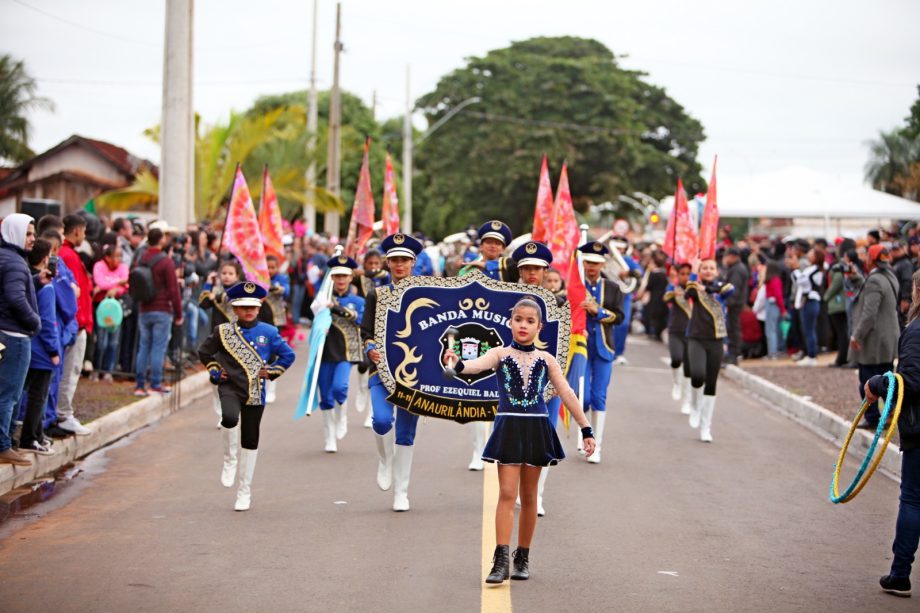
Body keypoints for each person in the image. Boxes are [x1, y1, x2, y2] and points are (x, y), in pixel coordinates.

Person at [443, 297, 596, 584]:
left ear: (539, 326)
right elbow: (475, 366)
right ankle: (500, 560)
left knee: (529, 497)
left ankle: (522, 556)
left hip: (536, 429)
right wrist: (458, 364)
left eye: (530, 321)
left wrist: (586, 428)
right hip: (510, 427)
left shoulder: (547, 359)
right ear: (510, 322)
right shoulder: (500, 353)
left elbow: (567, 393)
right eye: (519, 320)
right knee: (506, 494)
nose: (523, 325)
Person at [198, 281, 295, 511]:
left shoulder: (269, 332)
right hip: (229, 386)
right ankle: (229, 459)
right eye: (243, 306)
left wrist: (272, 371)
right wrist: (214, 369)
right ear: (234, 308)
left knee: (250, 440)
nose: (248, 310)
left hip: (255, 391)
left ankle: (244, 490)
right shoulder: (223, 331)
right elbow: (204, 351)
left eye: (252, 306)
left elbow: (287, 355)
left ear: (259, 307)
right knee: (229, 418)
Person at [866, 270, 920, 598]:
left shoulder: (915, 331)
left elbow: (911, 381)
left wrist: (876, 384)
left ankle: (900, 573)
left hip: (919, 430)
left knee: (913, 498)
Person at [361, 232, 424, 511]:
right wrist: (370, 348)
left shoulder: (426, 293)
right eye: (394, 260)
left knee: (406, 434)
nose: (399, 265)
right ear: (387, 264)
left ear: (412, 263)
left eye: (404, 260)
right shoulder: (377, 294)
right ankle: (385, 458)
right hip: (381, 370)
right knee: (382, 421)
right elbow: (366, 331)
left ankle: (402, 492)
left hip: (415, 375)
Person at [461, 220, 518, 471]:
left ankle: (497, 447)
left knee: (501, 397)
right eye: (488, 242)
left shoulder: (508, 268)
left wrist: (489, 266)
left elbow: (520, 265)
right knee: (476, 394)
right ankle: (477, 451)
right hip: (477, 338)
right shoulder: (468, 268)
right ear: (480, 245)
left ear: (503, 247)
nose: (492, 246)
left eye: (497, 243)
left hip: (506, 337)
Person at [511, 239, 558, 516]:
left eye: (537, 268)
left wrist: (553, 384)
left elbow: (561, 348)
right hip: (512, 383)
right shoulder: (504, 302)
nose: (532, 273)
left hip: (544, 383)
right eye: (526, 267)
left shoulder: (557, 304)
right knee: (513, 438)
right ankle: (516, 490)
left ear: (545, 271)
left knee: (544, 437)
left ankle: (537, 494)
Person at [576, 241, 625, 464]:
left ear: (603, 263)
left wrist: (599, 311)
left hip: (604, 347)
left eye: (596, 263)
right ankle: (584, 435)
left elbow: (620, 317)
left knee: (598, 397)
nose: (592, 266)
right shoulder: (575, 286)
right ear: (582, 262)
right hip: (580, 347)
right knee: (581, 396)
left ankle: (597, 446)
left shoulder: (613, 288)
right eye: (588, 262)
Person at [0, 214, 41, 466]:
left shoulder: (6, 258)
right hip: (14, 336)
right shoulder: (14, 262)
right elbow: (15, 298)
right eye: (28, 234)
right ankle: (4, 445)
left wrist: (35, 281)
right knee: (10, 393)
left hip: (4, 332)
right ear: (15, 233)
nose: (33, 239)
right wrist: (34, 321)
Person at [312, 255, 364, 452]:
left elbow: (359, 319)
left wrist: (337, 308)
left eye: (345, 276)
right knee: (325, 397)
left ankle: (342, 416)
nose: (341, 280)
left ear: (351, 278)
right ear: (331, 278)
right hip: (325, 351)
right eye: (337, 276)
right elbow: (314, 317)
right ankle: (329, 436)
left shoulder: (357, 300)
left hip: (346, 352)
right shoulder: (322, 298)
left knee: (340, 388)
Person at [850, 245, 900, 429]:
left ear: (872, 259)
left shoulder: (874, 281)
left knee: (867, 380)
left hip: (874, 340)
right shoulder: (889, 276)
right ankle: (890, 413)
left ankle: (872, 418)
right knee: (886, 376)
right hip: (887, 337)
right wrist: (856, 277)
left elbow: (869, 314)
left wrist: (857, 335)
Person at [685, 258, 734, 442]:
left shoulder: (721, 287)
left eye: (711, 268)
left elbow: (729, 290)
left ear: (717, 271)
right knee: (697, 375)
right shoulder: (695, 287)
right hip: (696, 338)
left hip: (716, 339)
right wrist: (693, 271)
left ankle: (706, 426)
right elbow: (688, 291)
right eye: (704, 268)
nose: (708, 271)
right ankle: (695, 406)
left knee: (711, 382)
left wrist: (710, 288)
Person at [18, 238, 59, 456]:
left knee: (29, 393)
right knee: (38, 395)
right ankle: (30, 436)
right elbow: (48, 321)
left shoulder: (29, 281)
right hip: (42, 352)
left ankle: (36, 434)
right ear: (45, 259)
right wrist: (54, 351)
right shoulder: (46, 288)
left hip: (33, 347)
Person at [134, 228, 184, 396]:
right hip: (162, 309)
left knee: (143, 346)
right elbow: (173, 289)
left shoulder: (141, 258)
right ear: (161, 240)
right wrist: (179, 314)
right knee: (158, 347)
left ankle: (140, 385)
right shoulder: (166, 262)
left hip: (144, 308)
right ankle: (155, 383)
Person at [56, 214, 93, 435]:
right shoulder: (68, 255)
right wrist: (78, 322)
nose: (85, 236)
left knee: (70, 371)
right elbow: (72, 294)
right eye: (84, 231)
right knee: (70, 371)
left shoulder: (69, 254)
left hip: (77, 323)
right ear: (77, 230)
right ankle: (63, 414)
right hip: (74, 324)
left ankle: (62, 412)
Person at [92, 244, 129, 380]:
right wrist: (119, 282)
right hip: (101, 307)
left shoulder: (123, 267)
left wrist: (116, 288)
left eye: (121, 256)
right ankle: (97, 369)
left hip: (116, 308)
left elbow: (126, 286)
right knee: (101, 341)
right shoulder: (99, 266)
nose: (119, 259)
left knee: (114, 342)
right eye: (116, 256)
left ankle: (109, 371)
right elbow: (99, 282)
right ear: (107, 257)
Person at [663, 263, 693, 414]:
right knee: (676, 359)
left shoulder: (696, 290)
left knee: (689, 369)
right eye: (682, 273)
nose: (685, 277)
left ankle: (687, 400)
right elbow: (666, 298)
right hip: (675, 331)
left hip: (692, 333)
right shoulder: (672, 288)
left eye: (689, 273)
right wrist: (675, 293)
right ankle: (676, 382)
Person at [609, 238, 642, 365]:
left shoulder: (628, 260)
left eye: (620, 247)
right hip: (607, 295)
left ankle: (618, 353)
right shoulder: (606, 259)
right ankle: (608, 352)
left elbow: (639, 272)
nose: (618, 249)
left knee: (623, 324)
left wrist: (628, 273)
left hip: (624, 296)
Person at [263, 255, 290, 404]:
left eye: (273, 267)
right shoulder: (258, 278)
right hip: (260, 320)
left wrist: (278, 288)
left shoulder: (282, 278)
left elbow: (286, 291)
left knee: (272, 354)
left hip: (275, 321)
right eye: (268, 267)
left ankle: (271, 387)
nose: (270, 270)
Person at [794, 247, 825, 367]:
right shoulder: (813, 269)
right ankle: (810, 354)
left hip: (810, 300)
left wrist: (795, 269)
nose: (809, 255)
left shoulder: (815, 270)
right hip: (808, 301)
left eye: (811, 253)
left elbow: (801, 280)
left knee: (809, 330)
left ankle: (812, 355)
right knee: (807, 329)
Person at [722, 247, 750, 365]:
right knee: (732, 328)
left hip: (735, 303)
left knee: (734, 329)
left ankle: (734, 354)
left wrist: (728, 302)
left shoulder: (737, 270)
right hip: (736, 302)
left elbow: (734, 288)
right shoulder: (736, 268)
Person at [824, 257, 850, 367]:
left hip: (837, 307)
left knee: (841, 334)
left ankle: (842, 358)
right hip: (838, 306)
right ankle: (842, 357)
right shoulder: (839, 273)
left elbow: (833, 289)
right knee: (841, 333)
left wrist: (825, 297)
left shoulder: (838, 274)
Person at [763, 261, 787, 359]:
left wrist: (782, 309)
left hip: (772, 305)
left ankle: (772, 352)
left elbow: (778, 295)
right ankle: (775, 350)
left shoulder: (774, 280)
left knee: (771, 329)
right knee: (774, 329)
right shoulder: (774, 279)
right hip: (773, 305)